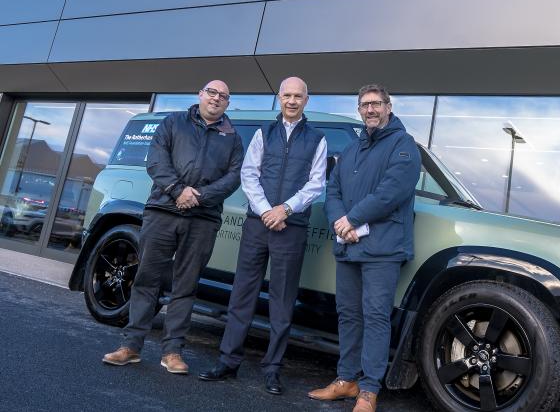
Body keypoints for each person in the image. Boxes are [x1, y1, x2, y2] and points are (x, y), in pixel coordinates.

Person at [103, 80, 244, 374]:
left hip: (203, 219)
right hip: (163, 210)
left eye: (223, 96)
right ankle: (130, 346)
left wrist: (199, 197)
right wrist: (178, 190)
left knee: (186, 285)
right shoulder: (173, 122)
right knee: (147, 279)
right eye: (212, 93)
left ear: (228, 103)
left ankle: (172, 352)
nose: (217, 99)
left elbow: (234, 177)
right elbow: (156, 161)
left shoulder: (232, 137)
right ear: (200, 95)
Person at [199, 77, 327, 395]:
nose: (292, 101)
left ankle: (272, 369)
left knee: (283, 302)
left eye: (298, 96)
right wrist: (266, 210)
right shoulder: (262, 133)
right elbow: (249, 174)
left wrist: (284, 210)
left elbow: (316, 183)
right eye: (287, 95)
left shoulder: (317, 139)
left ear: (306, 100)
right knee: (242, 294)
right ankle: (228, 361)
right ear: (279, 97)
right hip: (258, 224)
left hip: (291, 228)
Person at [308, 84, 420, 412]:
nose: (369, 110)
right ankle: (346, 380)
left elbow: (392, 192)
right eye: (364, 105)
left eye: (375, 104)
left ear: (388, 106)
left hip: (382, 249)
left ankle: (369, 390)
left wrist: (351, 219)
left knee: (374, 317)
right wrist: (340, 221)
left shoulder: (404, 145)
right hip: (350, 246)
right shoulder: (355, 147)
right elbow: (334, 189)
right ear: (359, 110)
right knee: (348, 314)